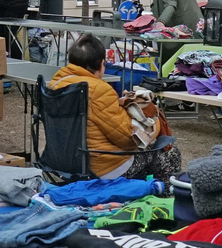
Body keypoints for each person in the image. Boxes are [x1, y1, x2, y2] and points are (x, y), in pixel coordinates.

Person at [48, 35, 148, 178]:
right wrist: (152, 124)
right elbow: (128, 140)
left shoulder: (55, 84)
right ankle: (162, 198)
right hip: (101, 169)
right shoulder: (100, 90)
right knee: (168, 152)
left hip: (62, 164)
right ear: (102, 64)